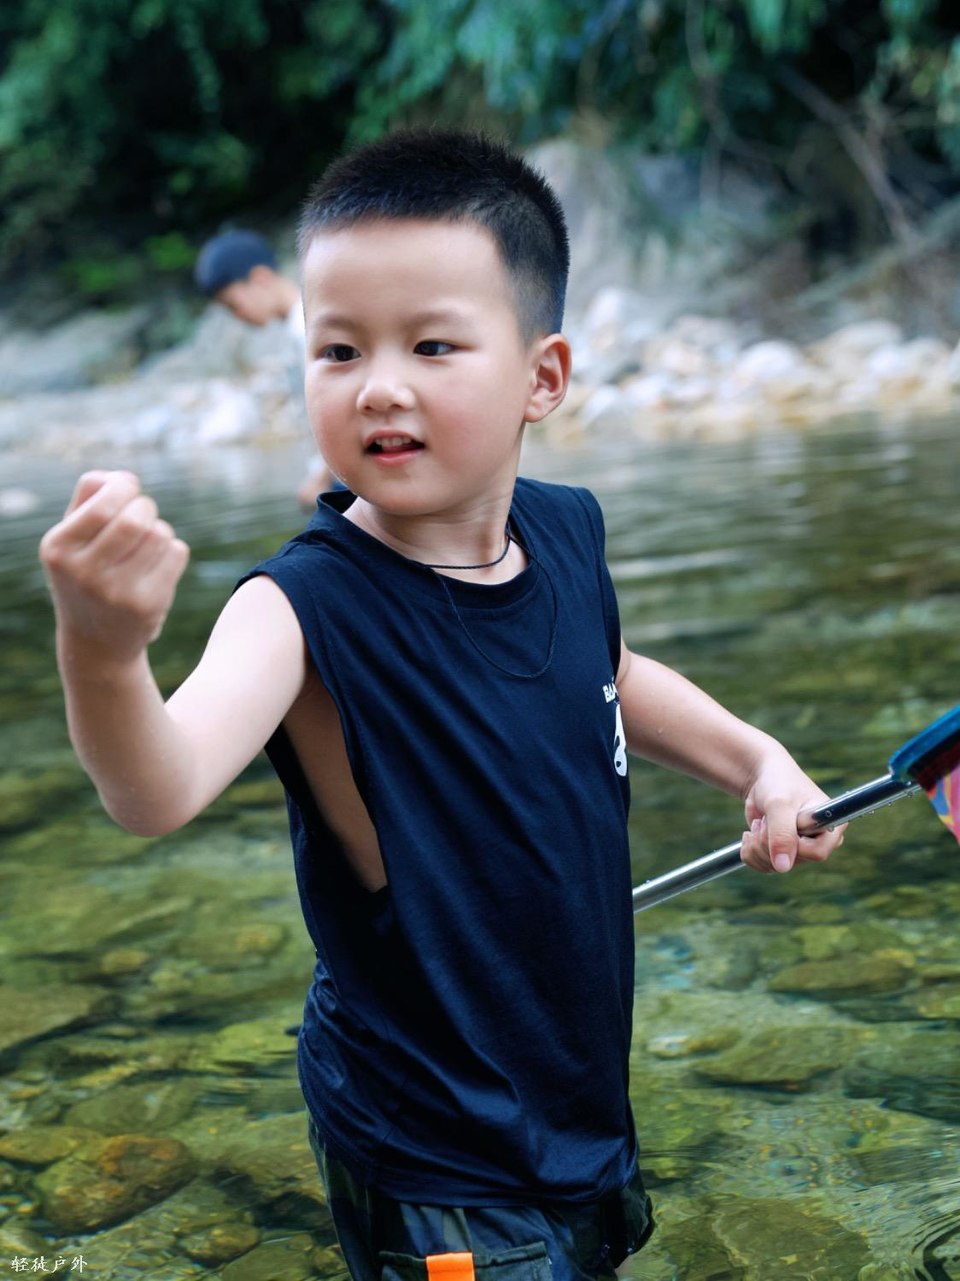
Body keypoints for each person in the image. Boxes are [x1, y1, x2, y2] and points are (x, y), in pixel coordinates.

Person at [40, 129, 845, 1281]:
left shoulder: (564, 532)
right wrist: (103, 647)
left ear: (542, 378)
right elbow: (154, 789)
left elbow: (610, 671)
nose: (379, 383)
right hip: (434, 1155)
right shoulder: (301, 608)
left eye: (430, 344)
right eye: (338, 349)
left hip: (570, 1099)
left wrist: (756, 761)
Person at [194, 227, 335, 508]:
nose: (238, 316)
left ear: (260, 278)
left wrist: (321, 478)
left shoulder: (308, 330)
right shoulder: (299, 329)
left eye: (233, 305)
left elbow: (334, 412)